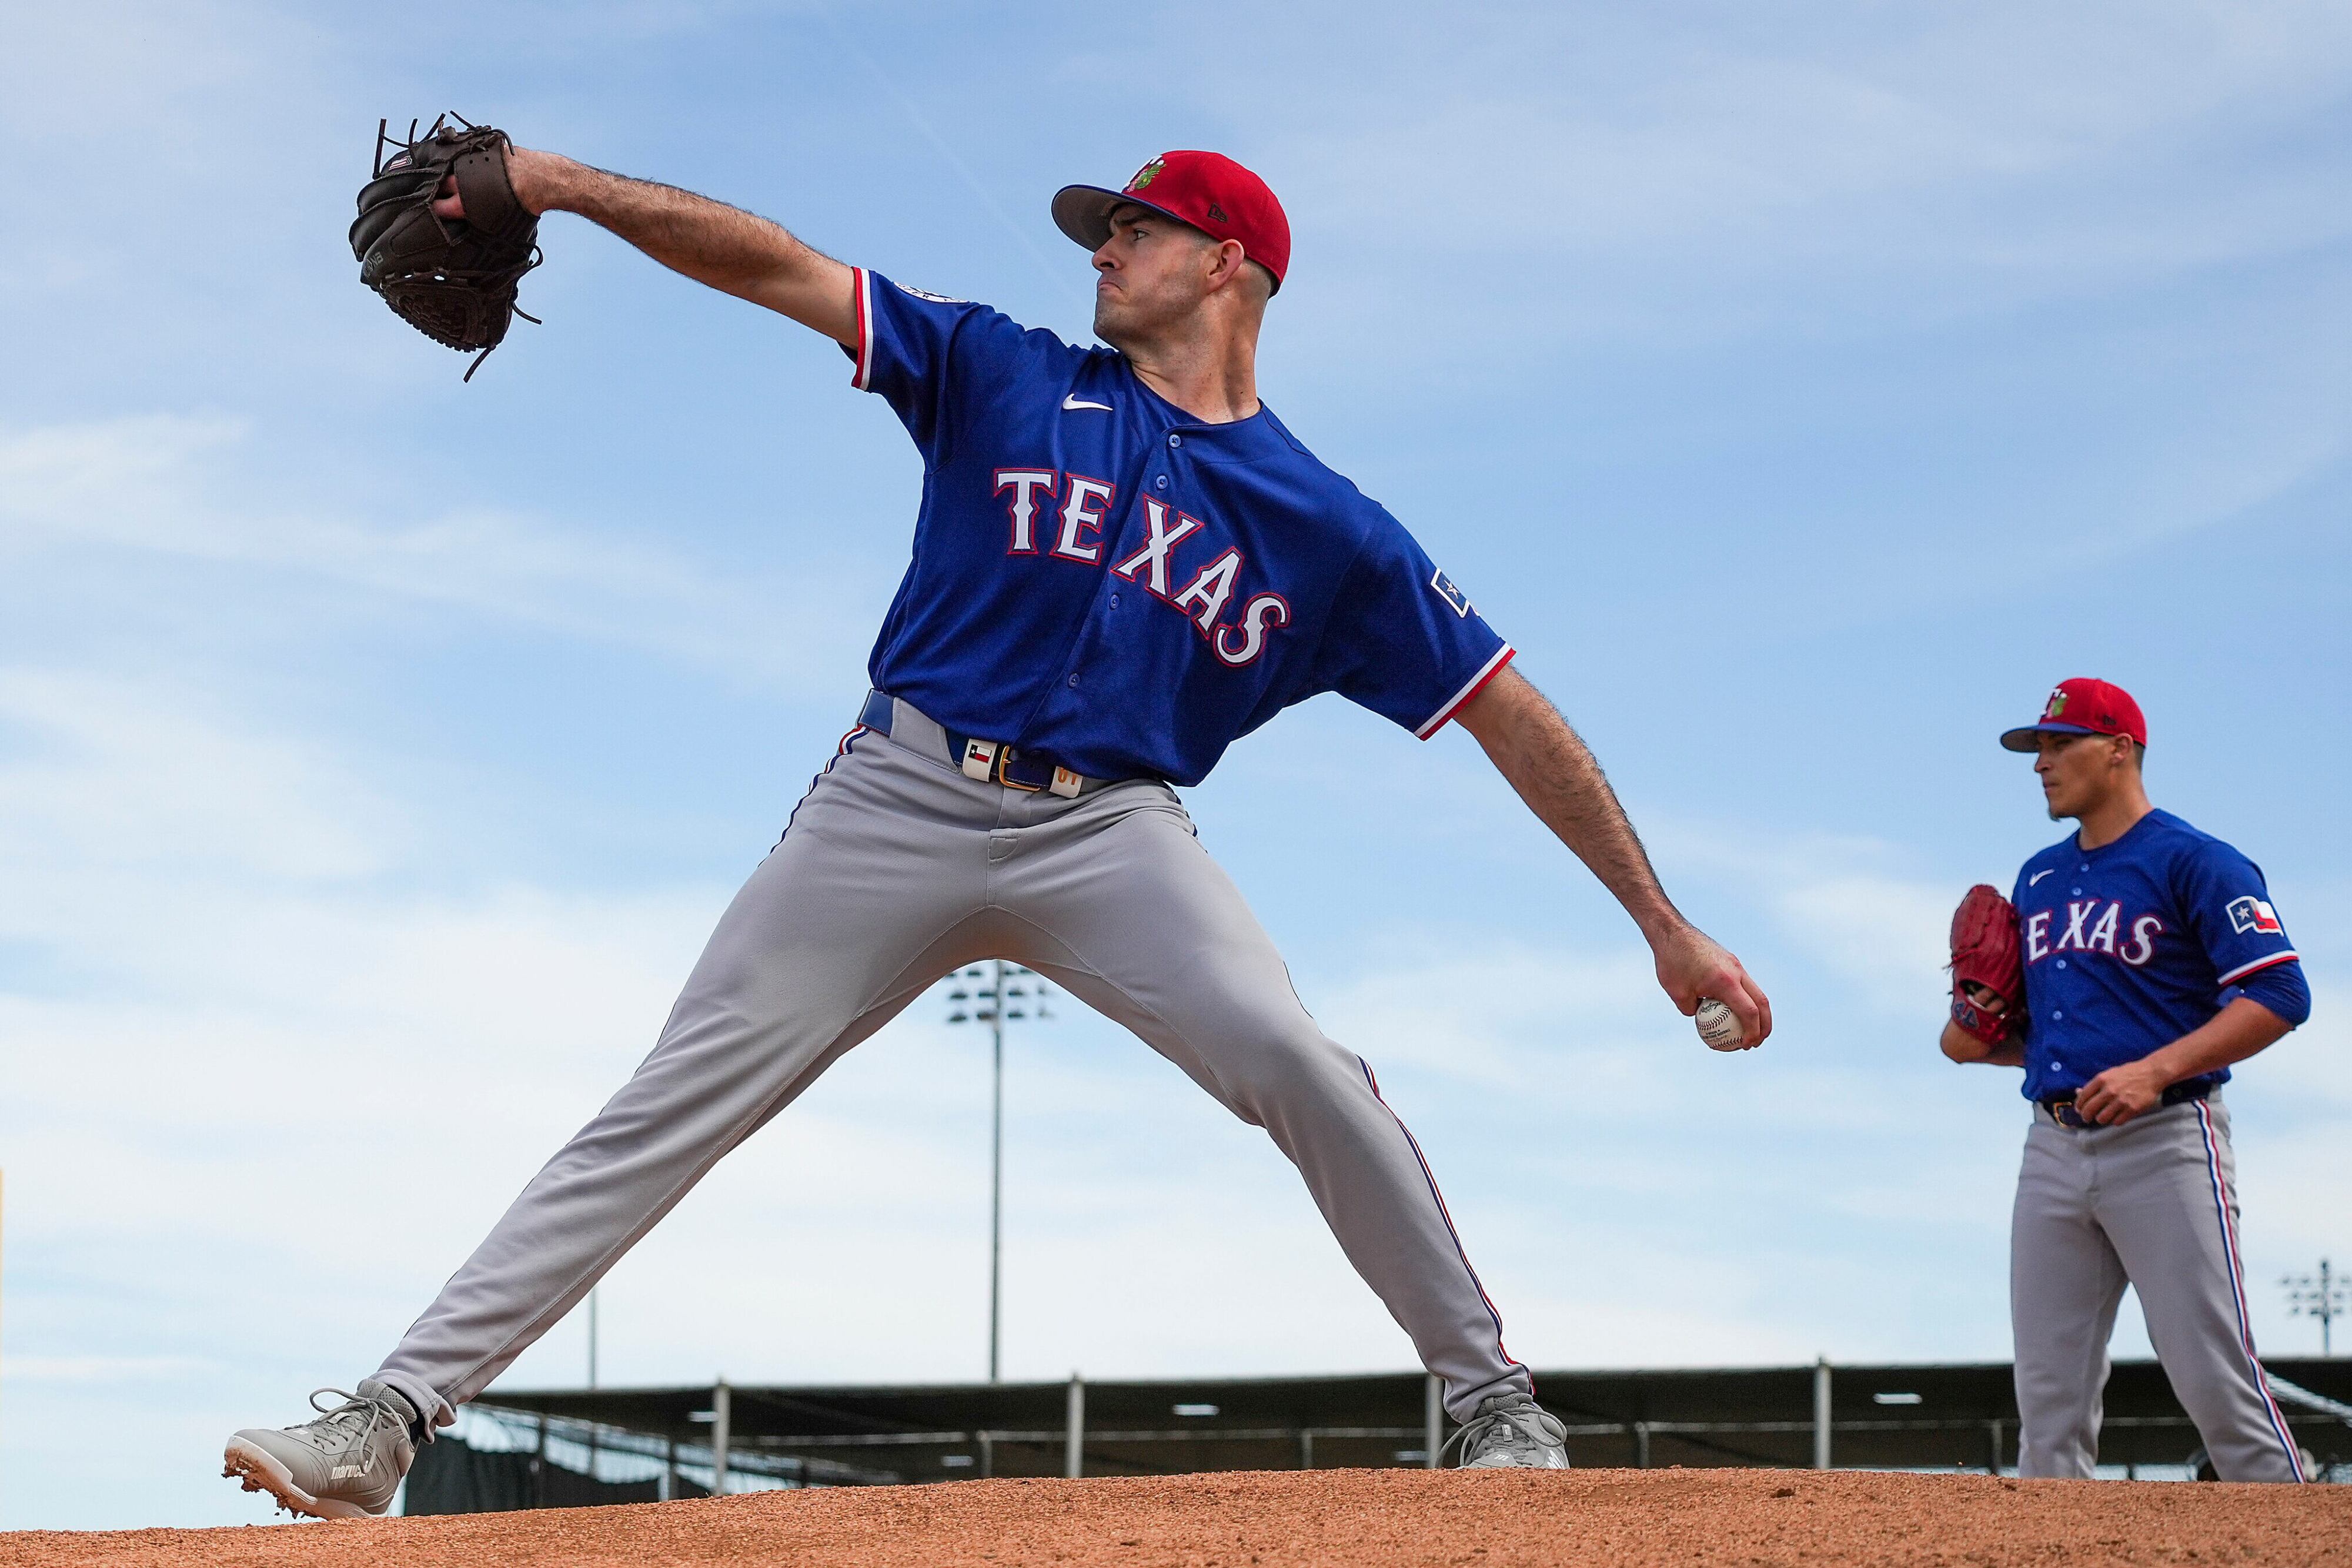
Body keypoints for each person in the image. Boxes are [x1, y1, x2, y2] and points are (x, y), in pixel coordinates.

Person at [223, 143, 1771, 1517]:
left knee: (1304, 1064)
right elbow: (772, 262)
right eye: (1104, 230)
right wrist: (560, 182)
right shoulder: (998, 367)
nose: (1101, 248)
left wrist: (1662, 919)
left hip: (1116, 835)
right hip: (895, 793)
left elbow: (1507, 705)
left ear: (1229, 265)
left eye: (1137, 227)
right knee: (672, 1097)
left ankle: (1490, 1397)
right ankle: (389, 1411)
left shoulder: (1329, 527)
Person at [1942, 678, 2309, 1481]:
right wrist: (1975, 1024)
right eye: (2037, 747)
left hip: (2166, 1136)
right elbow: (2021, 1037)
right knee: (2048, 1401)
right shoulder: (2037, 879)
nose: (2042, 762)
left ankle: (2300, 1528)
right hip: (2053, 1145)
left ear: (2120, 750)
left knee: (2215, 1380)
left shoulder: (2194, 860)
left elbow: (2281, 994)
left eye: (2060, 743)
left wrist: (2156, 1069)